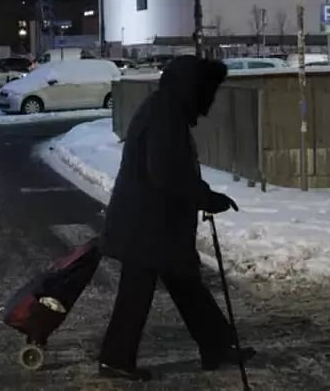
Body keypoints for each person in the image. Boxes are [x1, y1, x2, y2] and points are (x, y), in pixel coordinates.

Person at [97, 56, 255, 382]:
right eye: (207, 91)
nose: (209, 100)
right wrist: (205, 197)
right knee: (137, 295)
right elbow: (167, 172)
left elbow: (173, 171)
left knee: (186, 284)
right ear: (193, 89)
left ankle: (216, 346)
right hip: (146, 225)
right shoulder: (165, 116)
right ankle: (115, 358)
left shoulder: (166, 110)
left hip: (152, 223)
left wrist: (202, 195)